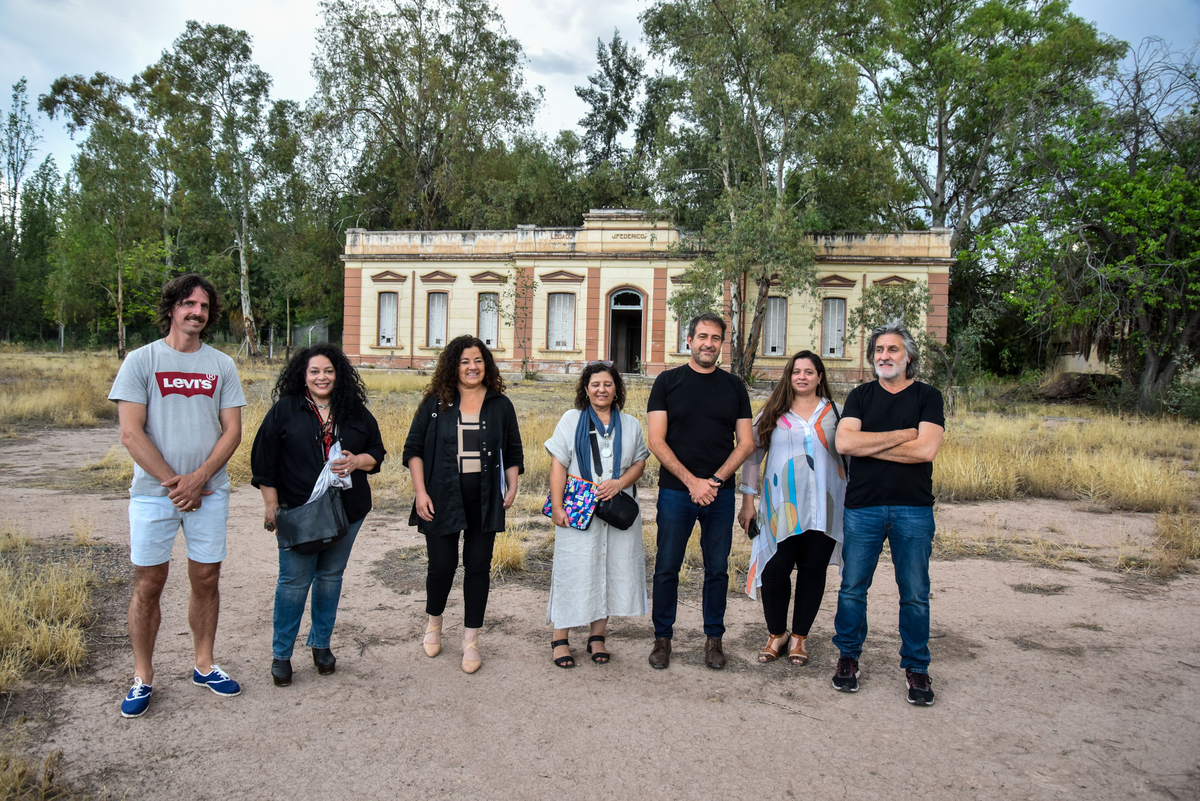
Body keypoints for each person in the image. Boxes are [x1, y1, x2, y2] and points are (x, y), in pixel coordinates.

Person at [108, 274, 246, 718]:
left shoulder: (221, 365)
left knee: (206, 578)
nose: (196, 313)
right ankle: (143, 676)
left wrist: (200, 476)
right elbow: (131, 434)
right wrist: (175, 483)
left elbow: (233, 431)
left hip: (210, 491)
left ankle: (204, 665)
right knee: (149, 583)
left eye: (204, 307)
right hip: (153, 495)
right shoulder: (141, 361)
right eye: (188, 304)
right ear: (172, 308)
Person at [250, 345, 386, 687]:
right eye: (314, 371)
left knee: (330, 578)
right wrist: (271, 505)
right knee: (294, 583)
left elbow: (377, 454)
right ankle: (282, 654)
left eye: (328, 371)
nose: (321, 377)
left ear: (337, 374)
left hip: (347, 512)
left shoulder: (354, 412)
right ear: (303, 375)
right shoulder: (286, 410)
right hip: (299, 512)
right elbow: (263, 460)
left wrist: (357, 461)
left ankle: (321, 645)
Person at [831, 320, 945, 705]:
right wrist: (903, 435)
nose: (885, 356)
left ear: (908, 355)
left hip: (913, 509)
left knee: (914, 594)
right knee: (852, 589)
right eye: (879, 351)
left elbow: (926, 451)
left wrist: (870, 446)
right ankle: (848, 658)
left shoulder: (928, 397)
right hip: (862, 507)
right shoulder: (860, 395)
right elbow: (845, 441)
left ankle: (916, 666)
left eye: (893, 350)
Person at [403, 335, 523, 673]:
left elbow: (512, 451)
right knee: (441, 565)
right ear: (453, 366)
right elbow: (413, 449)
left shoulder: (501, 404)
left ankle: (471, 639)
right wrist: (420, 492)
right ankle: (434, 622)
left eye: (478, 361)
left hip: (485, 499)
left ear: (487, 365)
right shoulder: (434, 403)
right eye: (465, 361)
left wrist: (512, 483)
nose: (473, 367)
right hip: (440, 496)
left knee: (478, 567)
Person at [646, 312, 754, 669]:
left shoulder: (734, 387)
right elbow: (656, 440)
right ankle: (662, 639)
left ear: (722, 345)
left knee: (717, 568)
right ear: (688, 340)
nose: (709, 343)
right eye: (702, 336)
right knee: (666, 567)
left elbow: (746, 443)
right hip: (677, 493)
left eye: (716, 338)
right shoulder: (667, 382)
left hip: (719, 496)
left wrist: (715, 481)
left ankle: (714, 640)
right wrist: (693, 482)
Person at [738, 351, 847, 666]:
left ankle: (799, 637)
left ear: (820, 377)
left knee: (813, 572)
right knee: (775, 570)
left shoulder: (836, 414)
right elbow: (752, 453)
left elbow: (850, 458)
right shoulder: (774, 411)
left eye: (809, 372)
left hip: (824, 508)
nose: (802, 376)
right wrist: (748, 500)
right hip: (780, 508)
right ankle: (776, 634)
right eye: (796, 371)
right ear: (789, 376)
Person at [544, 362, 650, 667]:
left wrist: (619, 483)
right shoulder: (571, 419)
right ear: (585, 389)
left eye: (607, 384)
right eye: (594, 385)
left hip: (616, 510)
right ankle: (560, 637)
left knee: (610, 570)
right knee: (572, 570)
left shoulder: (630, 424)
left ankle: (597, 636)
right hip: (578, 511)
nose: (601, 390)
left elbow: (639, 463)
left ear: (617, 389)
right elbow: (558, 465)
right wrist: (557, 507)